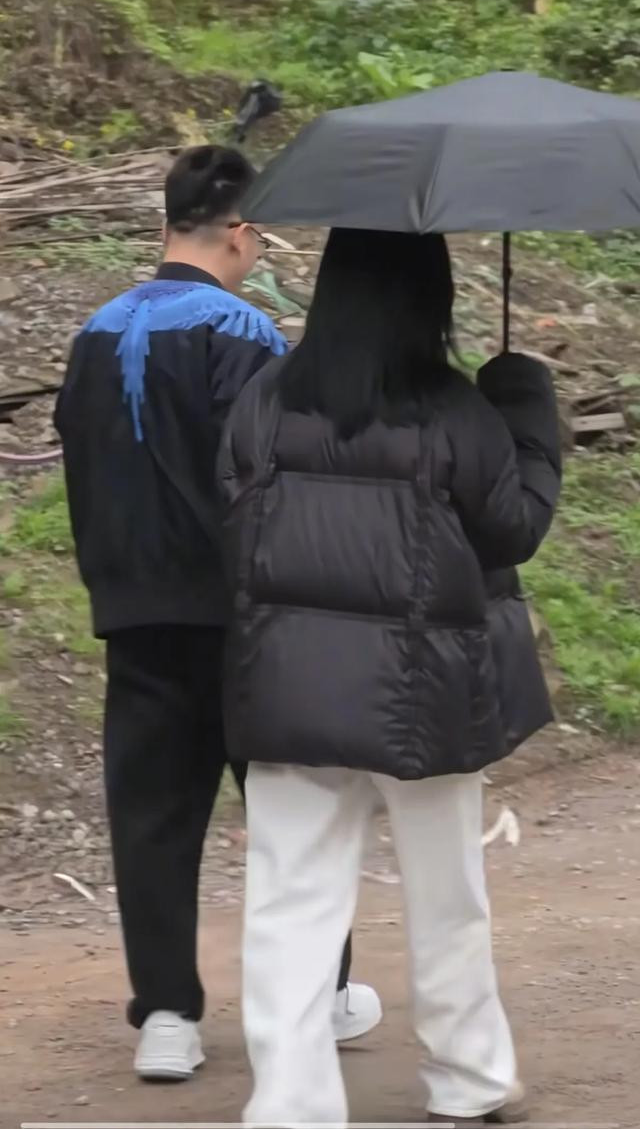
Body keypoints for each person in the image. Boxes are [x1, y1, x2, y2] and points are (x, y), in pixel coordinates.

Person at [218, 228, 562, 1125]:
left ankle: (291, 1103)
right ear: (429, 298)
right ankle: (469, 1078)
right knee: (447, 893)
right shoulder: (455, 410)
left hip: (287, 683)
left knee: (289, 902)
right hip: (425, 690)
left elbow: (234, 513)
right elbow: (514, 529)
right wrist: (526, 412)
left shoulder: (263, 397)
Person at [54, 148, 381, 1083]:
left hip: (134, 613)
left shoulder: (94, 332)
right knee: (293, 807)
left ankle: (166, 1016)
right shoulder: (244, 331)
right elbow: (271, 474)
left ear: (169, 222)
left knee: (153, 814)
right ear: (239, 232)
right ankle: (320, 993)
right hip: (246, 617)